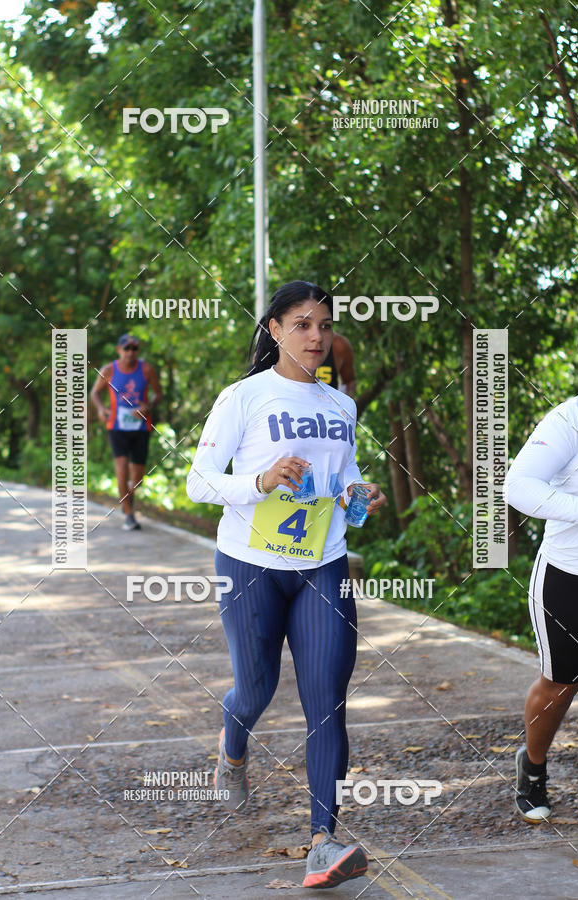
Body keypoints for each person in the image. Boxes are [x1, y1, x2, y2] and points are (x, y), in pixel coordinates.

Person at [186, 281, 386, 889]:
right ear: (274, 330)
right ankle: (233, 742)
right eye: (302, 324)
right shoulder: (243, 397)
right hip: (250, 563)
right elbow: (197, 484)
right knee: (256, 686)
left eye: (324, 326)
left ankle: (323, 839)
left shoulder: (340, 406)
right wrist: (261, 480)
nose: (317, 337)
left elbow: (342, 481)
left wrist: (360, 496)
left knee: (326, 700)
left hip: (322, 564)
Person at [505, 392, 578, 823]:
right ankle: (532, 767)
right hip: (570, 577)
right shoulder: (569, 421)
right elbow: (518, 488)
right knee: (561, 686)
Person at [90, 334, 162, 531]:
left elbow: (159, 393)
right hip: (117, 426)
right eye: (126, 348)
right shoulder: (108, 370)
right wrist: (101, 409)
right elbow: (95, 392)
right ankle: (129, 514)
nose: (130, 352)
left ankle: (129, 495)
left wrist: (148, 406)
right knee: (121, 470)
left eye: (134, 348)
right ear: (118, 350)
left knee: (136, 479)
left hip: (141, 427)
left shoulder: (146, 369)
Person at [315, 332, 356, 397]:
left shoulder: (338, 344)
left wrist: (343, 404)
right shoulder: (293, 344)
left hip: (328, 405)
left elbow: (349, 382)